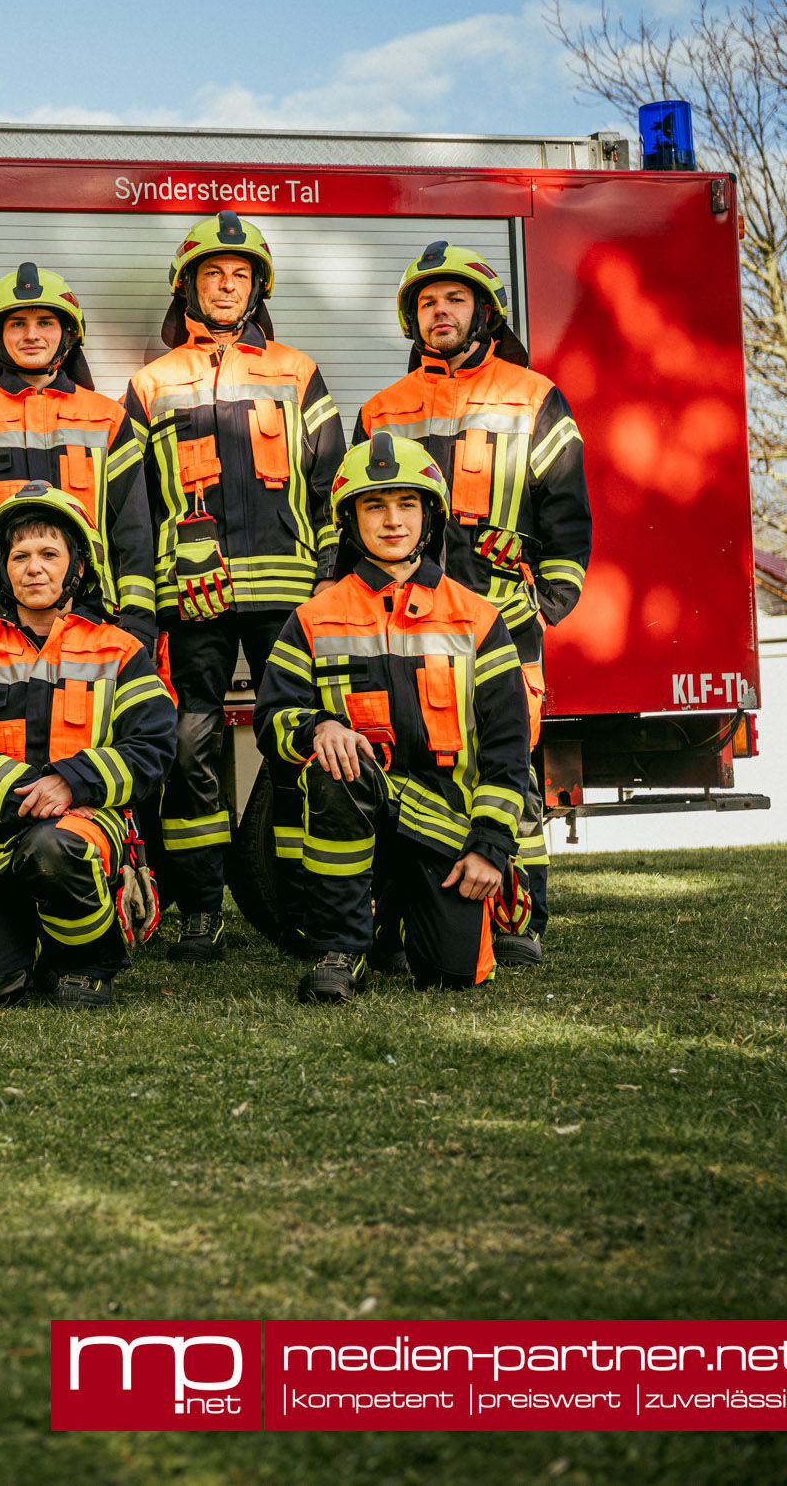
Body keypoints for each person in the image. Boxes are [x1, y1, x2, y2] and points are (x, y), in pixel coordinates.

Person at [351, 241, 590, 968]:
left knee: (507, 766)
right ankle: (411, 917)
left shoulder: (534, 395)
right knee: (418, 763)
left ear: (483, 310)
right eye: (427, 303)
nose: (440, 312)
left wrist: (549, 600)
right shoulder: (382, 409)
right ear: (412, 319)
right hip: (407, 625)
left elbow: (568, 510)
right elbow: (354, 515)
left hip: (504, 622)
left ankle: (520, 918)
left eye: (453, 299)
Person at [125, 212, 344, 965]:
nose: (227, 285)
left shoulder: (296, 370)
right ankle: (199, 909)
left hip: (289, 600)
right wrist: (150, 589)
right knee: (192, 744)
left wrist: (328, 587)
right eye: (213, 274)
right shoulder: (150, 384)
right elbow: (136, 505)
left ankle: (300, 899)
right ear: (188, 286)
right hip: (194, 602)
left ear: (257, 287)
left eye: (240, 274)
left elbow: (330, 487)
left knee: (291, 745)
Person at [253, 434, 531, 1001]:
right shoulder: (313, 618)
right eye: (374, 505)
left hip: (445, 823)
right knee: (336, 770)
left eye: (406, 503)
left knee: (453, 975)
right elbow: (272, 719)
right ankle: (342, 948)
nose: (391, 520)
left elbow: (507, 745)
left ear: (429, 516)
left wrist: (489, 847)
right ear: (351, 520)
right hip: (362, 804)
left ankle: (399, 919)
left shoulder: (478, 618)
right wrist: (315, 728)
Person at [0, 486, 173, 1009]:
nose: (33, 569)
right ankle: (25, 938)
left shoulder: (120, 649)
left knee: (52, 848)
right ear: (1, 568)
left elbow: (153, 745)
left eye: (49, 554)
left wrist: (71, 782)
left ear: (76, 567)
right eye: (19, 557)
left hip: (83, 827)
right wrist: (24, 792)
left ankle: (85, 963)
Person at [0, 262, 156, 648]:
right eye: (17, 323)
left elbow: (133, 530)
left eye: (45, 323)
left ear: (68, 334)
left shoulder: (108, 419)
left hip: (94, 621)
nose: (32, 335)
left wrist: (137, 621)